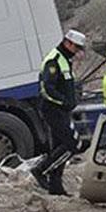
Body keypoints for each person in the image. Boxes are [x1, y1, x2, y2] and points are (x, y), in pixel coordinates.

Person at [31, 29, 87, 196]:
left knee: (58, 147)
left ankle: (56, 186)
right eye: (76, 48)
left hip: (60, 110)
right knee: (73, 144)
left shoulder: (64, 60)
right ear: (67, 43)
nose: (77, 52)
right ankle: (41, 170)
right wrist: (64, 101)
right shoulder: (54, 61)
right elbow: (47, 88)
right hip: (53, 110)